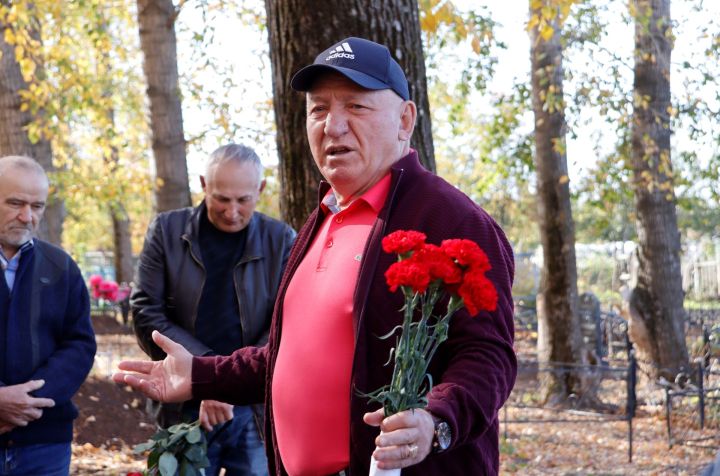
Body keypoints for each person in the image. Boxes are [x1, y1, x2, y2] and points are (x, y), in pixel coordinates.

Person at [116, 37, 516, 475]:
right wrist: (199, 374)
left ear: (405, 119)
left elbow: (488, 356)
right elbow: (285, 355)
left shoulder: (452, 221)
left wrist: (436, 421)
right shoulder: (323, 217)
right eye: (318, 109)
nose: (333, 125)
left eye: (356, 107)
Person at [131, 143, 295, 475]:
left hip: (252, 406)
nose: (232, 211)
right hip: (183, 403)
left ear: (260, 190)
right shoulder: (166, 231)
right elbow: (146, 311)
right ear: (204, 184)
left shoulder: (281, 240)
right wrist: (208, 377)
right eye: (221, 198)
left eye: (243, 200)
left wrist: (229, 380)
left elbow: (287, 322)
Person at [0, 155, 96, 475]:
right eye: (15, 203)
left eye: (37, 206)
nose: (27, 216)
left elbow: (80, 344)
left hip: (44, 443)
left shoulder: (61, 267)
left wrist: (29, 402)